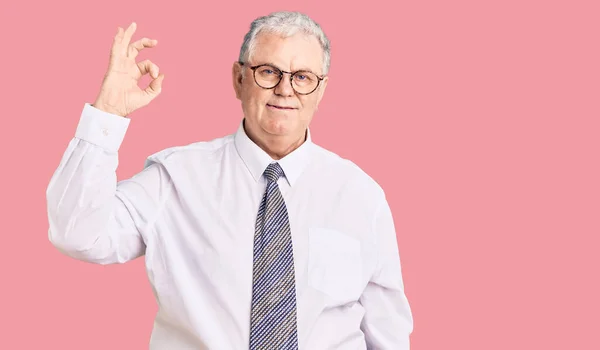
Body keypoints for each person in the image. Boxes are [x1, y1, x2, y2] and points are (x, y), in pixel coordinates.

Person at [46, 11, 413, 349]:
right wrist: (107, 112)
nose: (285, 90)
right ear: (239, 79)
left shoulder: (361, 195)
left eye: (303, 78)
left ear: (321, 90)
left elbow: (388, 332)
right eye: (269, 72)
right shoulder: (175, 178)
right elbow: (77, 234)